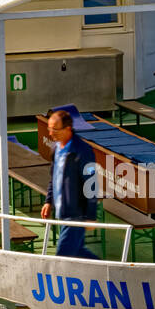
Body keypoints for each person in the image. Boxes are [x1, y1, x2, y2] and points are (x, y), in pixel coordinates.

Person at [40, 109, 99, 259]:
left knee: (63, 257)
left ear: (68, 129)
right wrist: (48, 201)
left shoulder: (83, 151)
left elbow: (91, 183)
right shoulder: (56, 149)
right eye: (49, 128)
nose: (51, 133)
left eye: (55, 129)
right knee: (79, 253)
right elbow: (54, 177)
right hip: (62, 212)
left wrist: (91, 215)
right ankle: (110, 275)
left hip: (76, 214)